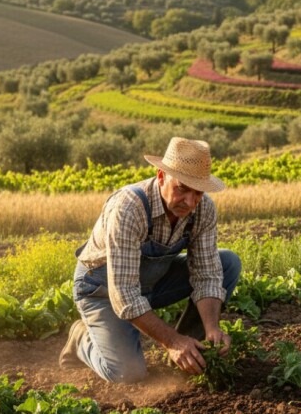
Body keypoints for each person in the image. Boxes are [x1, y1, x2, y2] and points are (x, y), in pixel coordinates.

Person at [59, 136, 241, 383]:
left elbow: (207, 274)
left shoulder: (203, 209)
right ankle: (82, 337)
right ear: (161, 176)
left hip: (151, 283)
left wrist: (212, 328)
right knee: (127, 374)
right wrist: (171, 341)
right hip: (102, 290)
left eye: (198, 192)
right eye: (182, 188)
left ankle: (192, 349)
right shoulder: (129, 208)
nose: (190, 201)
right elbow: (123, 294)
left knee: (227, 262)